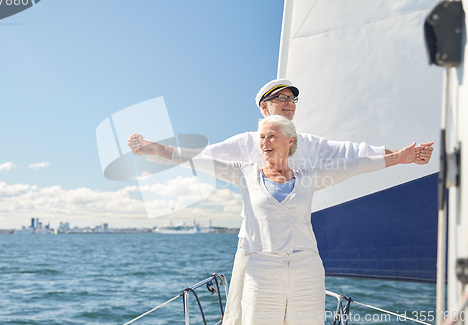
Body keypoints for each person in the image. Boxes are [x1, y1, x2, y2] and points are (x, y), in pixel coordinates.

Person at [129, 79, 434, 325]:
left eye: (292, 99)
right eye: (282, 99)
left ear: (291, 142)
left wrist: (401, 156)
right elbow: (202, 159)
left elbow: (352, 156)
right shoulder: (246, 145)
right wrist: (153, 148)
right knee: (241, 314)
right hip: (256, 249)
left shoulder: (311, 148)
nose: (289, 104)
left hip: (300, 253)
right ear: (265, 107)